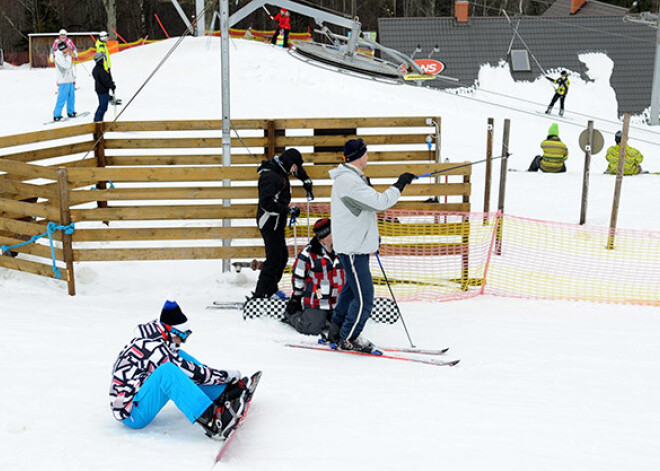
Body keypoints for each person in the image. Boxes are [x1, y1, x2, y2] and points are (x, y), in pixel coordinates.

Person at [109, 299, 250, 439]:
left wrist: (222, 380)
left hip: (140, 395)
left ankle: (221, 394)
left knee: (178, 357)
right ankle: (212, 420)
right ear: (170, 332)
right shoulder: (154, 349)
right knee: (169, 371)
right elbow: (193, 374)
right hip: (132, 413)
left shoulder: (155, 341)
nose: (183, 341)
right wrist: (226, 375)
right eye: (183, 336)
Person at [327, 138, 416, 352]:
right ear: (358, 156)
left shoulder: (351, 179)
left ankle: (336, 331)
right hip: (353, 249)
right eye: (366, 154)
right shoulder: (349, 181)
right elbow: (380, 203)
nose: (368, 157)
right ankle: (349, 337)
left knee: (350, 291)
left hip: (356, 246)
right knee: (365, 298)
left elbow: (364, 210)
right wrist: (400, 184)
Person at [253, 149, 313, 299]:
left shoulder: (280, 169)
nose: (295, 171)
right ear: (287, 164)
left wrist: (305, 179)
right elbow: (266, 203)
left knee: (281, 258)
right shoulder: (271, 177)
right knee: (274, 260)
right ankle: (261, 295)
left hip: (277, 222)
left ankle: (270, 290)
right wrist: (287, 210)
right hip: (269, 222)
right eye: (294, 167)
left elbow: (296, 168)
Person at [285, 217, 344, 335]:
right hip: (317, 299)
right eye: (334, 231)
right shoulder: (309, 254)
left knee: (346, 327)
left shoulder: (342, 250)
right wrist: (296, 297)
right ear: (325, 236)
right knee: (311, 328)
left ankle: (327, 317)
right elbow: (298, 276)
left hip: (338, 300)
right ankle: (292, 316)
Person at [52, 42, 76, 121]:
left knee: (71, 97)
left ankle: (71, 111)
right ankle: (57, 114)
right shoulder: (59, 56)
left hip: (69, 79)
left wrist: (73, 79)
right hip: (63, 80)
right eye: (66, 48)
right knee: (62, 98)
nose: (68, 49)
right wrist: (69, 56)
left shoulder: (64, 55)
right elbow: (66, 66)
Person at [95, 31, 121, 105]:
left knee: (109, 82)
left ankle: (111, 97)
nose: (108, 38)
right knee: (109, 82)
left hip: (106, 67)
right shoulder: (101, 46)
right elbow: (103, 58)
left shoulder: (103, 44)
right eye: (107, 37)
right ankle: (111, 98)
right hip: (105, 68)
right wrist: (106, 68)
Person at [92, 52, 116, 122]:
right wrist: (111, 85)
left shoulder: (97, 68)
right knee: (103, 107)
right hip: (102, 90)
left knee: (102, 106)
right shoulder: (100, 70)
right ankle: (97, 121)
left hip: (101, 89)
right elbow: (105, 81)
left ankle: (98, 120)